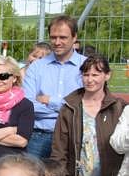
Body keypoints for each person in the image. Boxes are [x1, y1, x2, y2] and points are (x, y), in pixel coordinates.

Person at [23, 15, 85, 159]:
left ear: (74, 37)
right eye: (53, 37)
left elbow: (84, 107)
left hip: (74, 135)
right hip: (39, 136)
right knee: (33, 173)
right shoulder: (36, 67)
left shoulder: (86, 67)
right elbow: (28, 105)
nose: (57, 42)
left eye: (63, 37)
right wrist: (67, 109)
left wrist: (51, 100)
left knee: (70, 174)